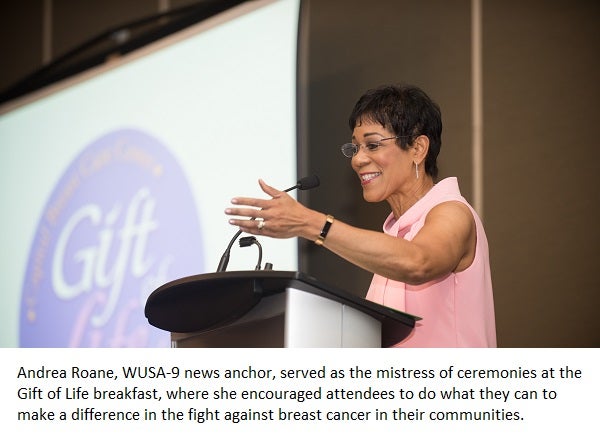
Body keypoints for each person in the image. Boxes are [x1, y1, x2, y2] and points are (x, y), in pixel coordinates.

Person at [225, 84, 496, 347]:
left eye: (373, 145)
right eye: (355, 148)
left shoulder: (452, 210)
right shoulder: (396, 235)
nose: (357, 160)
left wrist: (310, 223)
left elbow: (419, 262)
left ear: (417, 148)